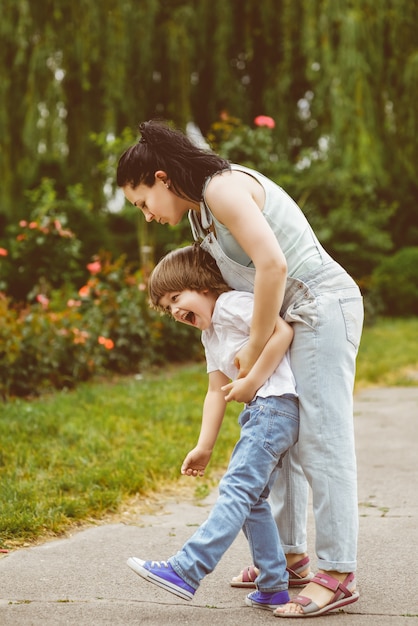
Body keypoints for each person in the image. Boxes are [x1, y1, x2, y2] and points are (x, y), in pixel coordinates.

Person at [116, 120, 363, 617]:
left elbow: (273, 265)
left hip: (318, 306)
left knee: (321, 439)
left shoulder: (222, 188)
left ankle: (337, 574)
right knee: (285, 448)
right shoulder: (200, 213)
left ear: (162, 178)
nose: (145, 215)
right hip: (287, 318)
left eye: (143, 201)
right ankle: (289, 560)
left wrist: (253, 346)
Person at [127, 243, 299, 612]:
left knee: (237, 489)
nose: (174, 310)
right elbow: (214, 392)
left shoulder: (232, 304)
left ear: (204, 286)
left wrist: (251, 381)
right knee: (252, 500)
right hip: (260, 413)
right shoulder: (210, 335)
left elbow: (282, 333)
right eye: (167, 307)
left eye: (177, 297)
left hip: (275, 406)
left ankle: (186, 569)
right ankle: (273, 585)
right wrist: (204, 446)